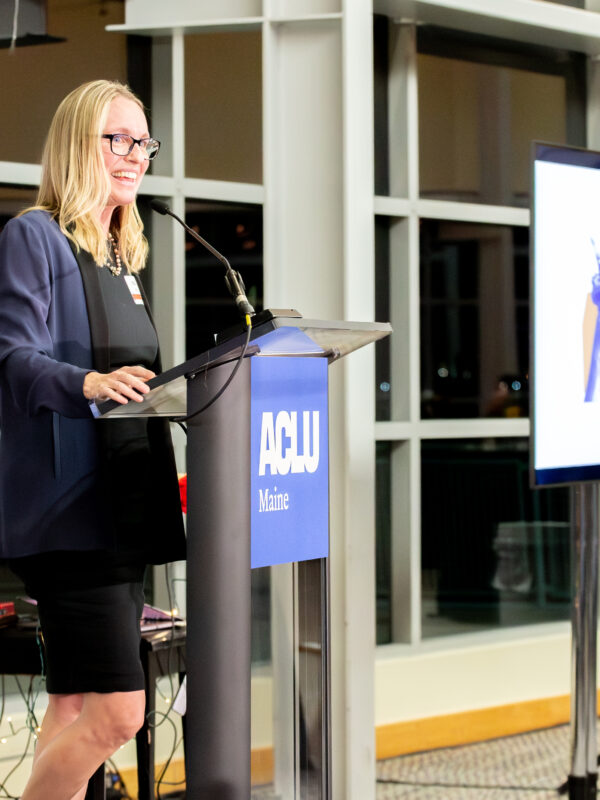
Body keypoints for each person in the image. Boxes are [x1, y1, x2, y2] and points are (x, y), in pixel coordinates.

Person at [0, 80, 186, 800]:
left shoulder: (117, 255)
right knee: (120, 714)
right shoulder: (33, 237)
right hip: (68, 515)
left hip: (123, 502)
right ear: (80, 143)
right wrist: (89, 384)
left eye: (143, 142)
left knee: (74, 705)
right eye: (119, 139)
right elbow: (13, 358)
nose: (135, 155)